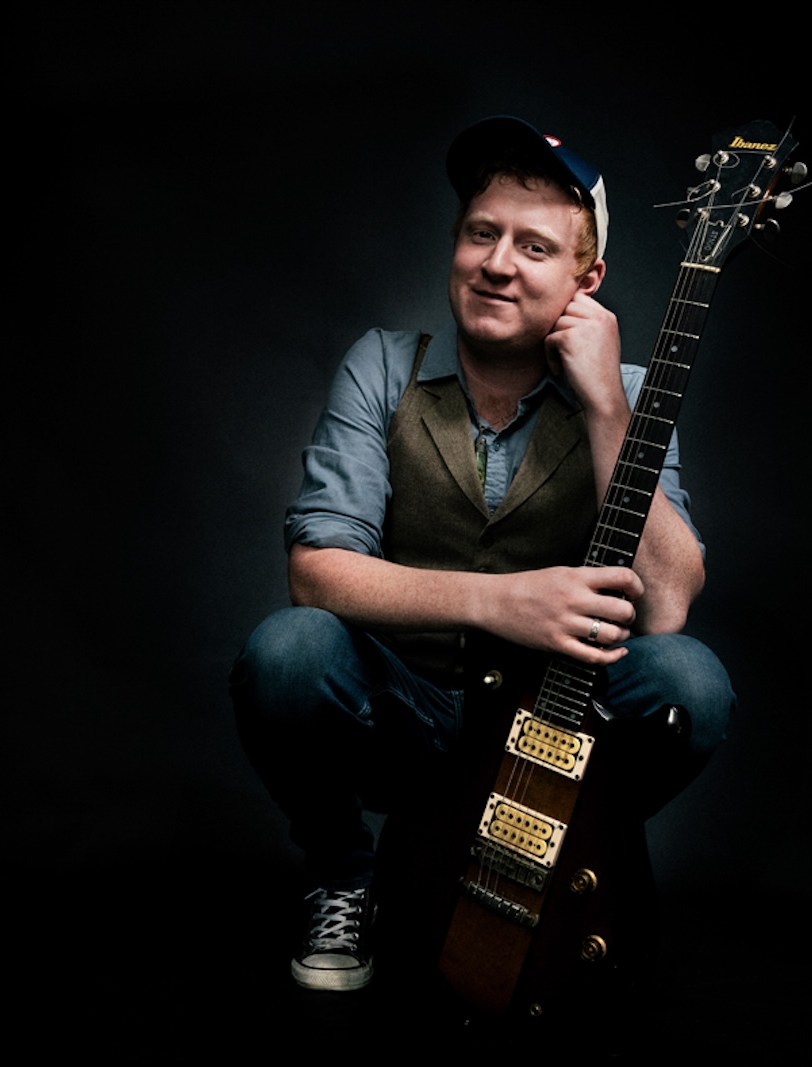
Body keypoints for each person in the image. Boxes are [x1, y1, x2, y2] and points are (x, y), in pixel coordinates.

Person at [230, 116, 734, 993]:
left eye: (535, 246)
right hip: (408, 716)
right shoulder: (384, 366)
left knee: (690, 682)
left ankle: (564, 844)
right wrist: (500, 602)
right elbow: (315, 570)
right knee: (286, 653)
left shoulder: (634, 400)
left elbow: (666, 607)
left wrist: (609, 409)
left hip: (559, 729)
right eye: (481, 233)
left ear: (589, 280)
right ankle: (346, 873)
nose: (498, 263)